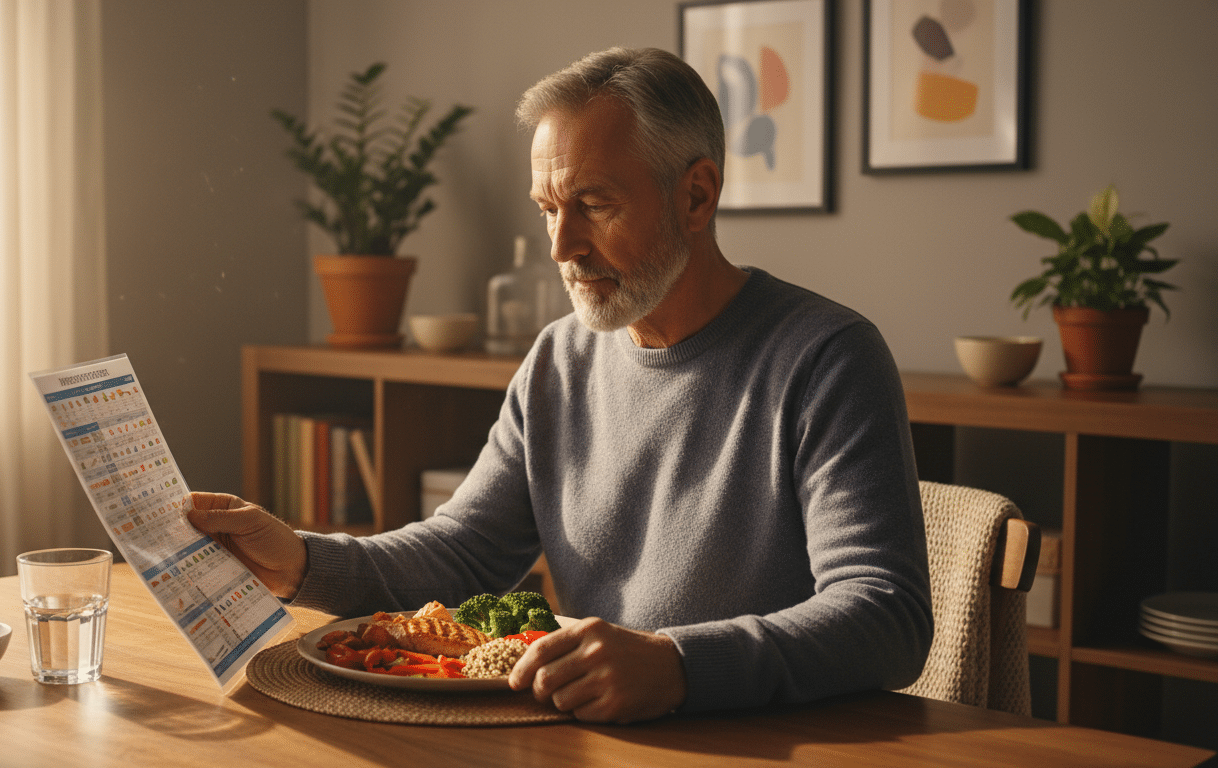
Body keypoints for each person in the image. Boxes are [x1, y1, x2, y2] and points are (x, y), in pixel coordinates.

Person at [190, 46, 932, 724]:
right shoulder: (560, 359)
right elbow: (463, 554)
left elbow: (886, 615)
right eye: (549, 208)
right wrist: (303, 561)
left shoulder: (828, 357)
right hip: (590, 739)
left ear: (697, 195)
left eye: (594, 205)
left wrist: (678, 665)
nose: (561, 247)